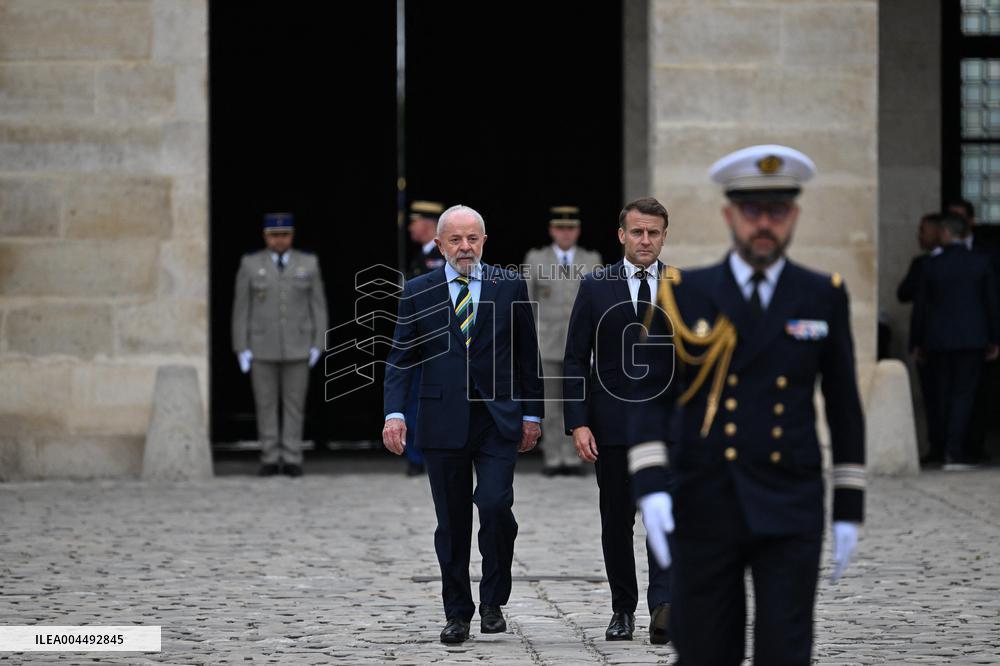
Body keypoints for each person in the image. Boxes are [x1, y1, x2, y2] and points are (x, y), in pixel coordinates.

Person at [629, 145, 866, 664]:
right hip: (706, 495)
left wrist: (850, 504)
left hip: (790, 497)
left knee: (785, 649)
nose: (764, 224)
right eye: (752, 211)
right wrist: (651, 484)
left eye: (776, 212)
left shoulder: (821, 294)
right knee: (705, 650)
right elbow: (653, 396)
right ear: (729, 216)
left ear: (793, 217)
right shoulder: (684, 294)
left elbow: (844, 404)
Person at [382, 204, 544, 644]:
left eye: (472, 238)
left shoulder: (509, 285)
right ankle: (457, 612)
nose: (465, 247)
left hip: (497, 419)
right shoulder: (418, 290)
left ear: (484, 241)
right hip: (442, 421)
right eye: (455, 239)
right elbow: (400, 357)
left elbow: (527, 355)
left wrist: (532, 414)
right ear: (440, 245)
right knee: (452, 523)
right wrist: (394, 414)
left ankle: (493, 600)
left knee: (494, 506)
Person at [562, 197, 673, 643]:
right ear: (622, 235)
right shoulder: (596, 286)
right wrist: (578, 422)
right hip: (610, 427)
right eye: (638, 232)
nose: (645, 240)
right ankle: (622, 609)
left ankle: (663, 607)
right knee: (617, 523)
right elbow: (575, 358)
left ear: (664, 236)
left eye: (654, 232)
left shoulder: (684, 287)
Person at [231, 212, 328, 477]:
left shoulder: (308, 263)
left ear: (292, 235)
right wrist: (241, 346)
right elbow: (241, 307)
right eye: (274, 236)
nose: (279, 240)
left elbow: (318, 306)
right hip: (261, 345)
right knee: (265, 405)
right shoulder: (250, 264)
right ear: (265, 236)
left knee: (294, 405)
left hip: (298, 345)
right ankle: (270, 456)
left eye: (284, 235)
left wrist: (319, 342)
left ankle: (292, 456)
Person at [912, 211, 1000, 470]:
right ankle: (955, 451)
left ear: (945, 234)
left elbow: (920, 308)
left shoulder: (931, 265)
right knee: (963, 395)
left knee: (942, 394)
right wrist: (995, 338)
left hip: (937, 340)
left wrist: (916, 341)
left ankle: (942, 449)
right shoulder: (981, 263)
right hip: (972, 339)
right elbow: (991, 304)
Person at [523, 205, 602, 476]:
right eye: (560, 228)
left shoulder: (591, 259)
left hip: (582, 343)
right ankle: (554, 457)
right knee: (551, 403)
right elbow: (527, 303)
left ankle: (573, 456)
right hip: (548, 342)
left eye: (570, 228)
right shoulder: (536, 259)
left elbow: (598, 302)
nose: (565, 233)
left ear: (578, 231)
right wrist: (529, 339)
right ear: (551, 230)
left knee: (578, 399)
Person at [402, 200, 448, 476]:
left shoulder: (441, 258)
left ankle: (435, 455)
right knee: (414, 400)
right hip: (418, 341)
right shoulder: (419, 258)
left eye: (414, 221)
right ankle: (416, 457)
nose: (410, 227)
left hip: (440, 342)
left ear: (428, 224)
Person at [897, 212, 944, 464]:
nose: (919, 236)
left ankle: (954, 448)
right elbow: (904, 294)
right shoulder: (922, 264)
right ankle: (938, 447)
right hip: (930, 340)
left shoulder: (971, 259)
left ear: (940, 232)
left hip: (947, 339)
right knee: (932, 396)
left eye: (923, 230)